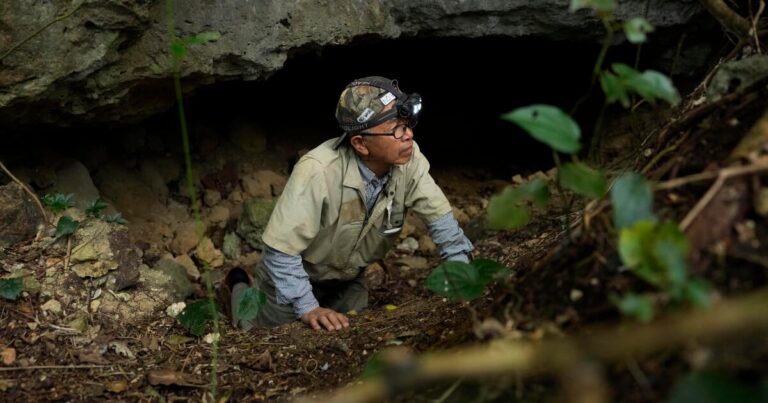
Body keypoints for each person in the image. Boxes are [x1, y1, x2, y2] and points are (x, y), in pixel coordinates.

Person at [224, 76, 473, 331]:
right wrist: (308, 307)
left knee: (355, 338)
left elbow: (441, 222)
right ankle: (238, 283)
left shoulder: (410, 159)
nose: (408, 135)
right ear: (360, 144)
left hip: (348, 279)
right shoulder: (319, 171)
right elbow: (282, 252)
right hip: (293, 274)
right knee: (255, 331)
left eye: (407, 124)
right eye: (396, 129)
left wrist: (463, 280)